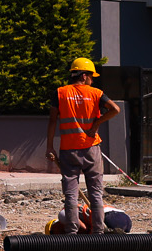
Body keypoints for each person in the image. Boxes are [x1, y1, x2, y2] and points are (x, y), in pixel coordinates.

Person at [45, 57, 121, 235]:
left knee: (71, 194)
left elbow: (52, 121)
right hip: (91, 149)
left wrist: (49, 147)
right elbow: (115, 109)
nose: (92, 80)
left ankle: (72, 233)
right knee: (95, 193)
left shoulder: (60, 93)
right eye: (91, 77)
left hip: (69, 150)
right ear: (85, 75)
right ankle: (98, 233)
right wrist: (96, 125)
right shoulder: (96, 93)